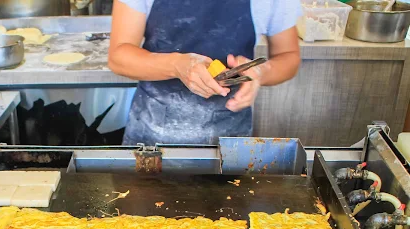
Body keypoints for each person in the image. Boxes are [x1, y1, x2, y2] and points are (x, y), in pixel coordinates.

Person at [109, 0, 302, 145]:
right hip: (151, 138)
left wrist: (260, 72)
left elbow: (288, 56)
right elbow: (118, 57)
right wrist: (176, 65)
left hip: (229, 143)